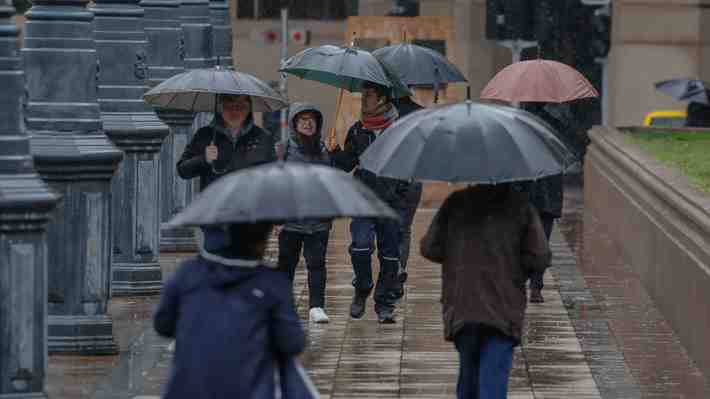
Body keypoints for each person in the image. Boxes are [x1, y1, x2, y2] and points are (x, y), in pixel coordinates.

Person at [420, 184, 550, 399]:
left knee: (468, 379)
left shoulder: (456, 203)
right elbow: (540, 257)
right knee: (493, 381)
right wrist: (515, 270)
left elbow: (430, 248)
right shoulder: (520, 206)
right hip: (503, 308)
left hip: (463, 306)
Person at [154, 222, 306, 398]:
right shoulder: (273, 283)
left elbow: (163, 324)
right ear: (261, 241)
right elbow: (292, 343)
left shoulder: (188, 273)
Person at [330, 81, 403, 324]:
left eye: (369, 95)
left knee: (390, 256)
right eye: (364, 95)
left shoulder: (399, 129)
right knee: (360, 247)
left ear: (383, 99)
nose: (364, 99)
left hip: (390, 202)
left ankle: (384, 304)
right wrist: (334, 155)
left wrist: (400, 190)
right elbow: (347, 163)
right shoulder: (357, 130)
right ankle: (362, 287)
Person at [177, 94, 276, 251]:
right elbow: (182, 170)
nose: (235, 111)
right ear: (220, 108)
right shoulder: (205, 135)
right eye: (229, 106)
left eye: (240, 106)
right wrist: (204, 159)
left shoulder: (262, 138)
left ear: (249, 108)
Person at [278, 102, 334, 324]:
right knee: (286, 264)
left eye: (312, 119)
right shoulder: (283, 150)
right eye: (303, 119)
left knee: (317, 264)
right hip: (290, 220)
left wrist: (336, 154)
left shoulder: (324, 150)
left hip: (318, 219)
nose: (308, 123)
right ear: (294, 124)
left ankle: (316, 306)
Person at [390, 94, 425, 301]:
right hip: (413, 177)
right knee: (404, 230)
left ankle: (394, 269)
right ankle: (398, 269)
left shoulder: (386, 113)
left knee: (390, 229)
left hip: (392, 178)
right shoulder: (421, 113)